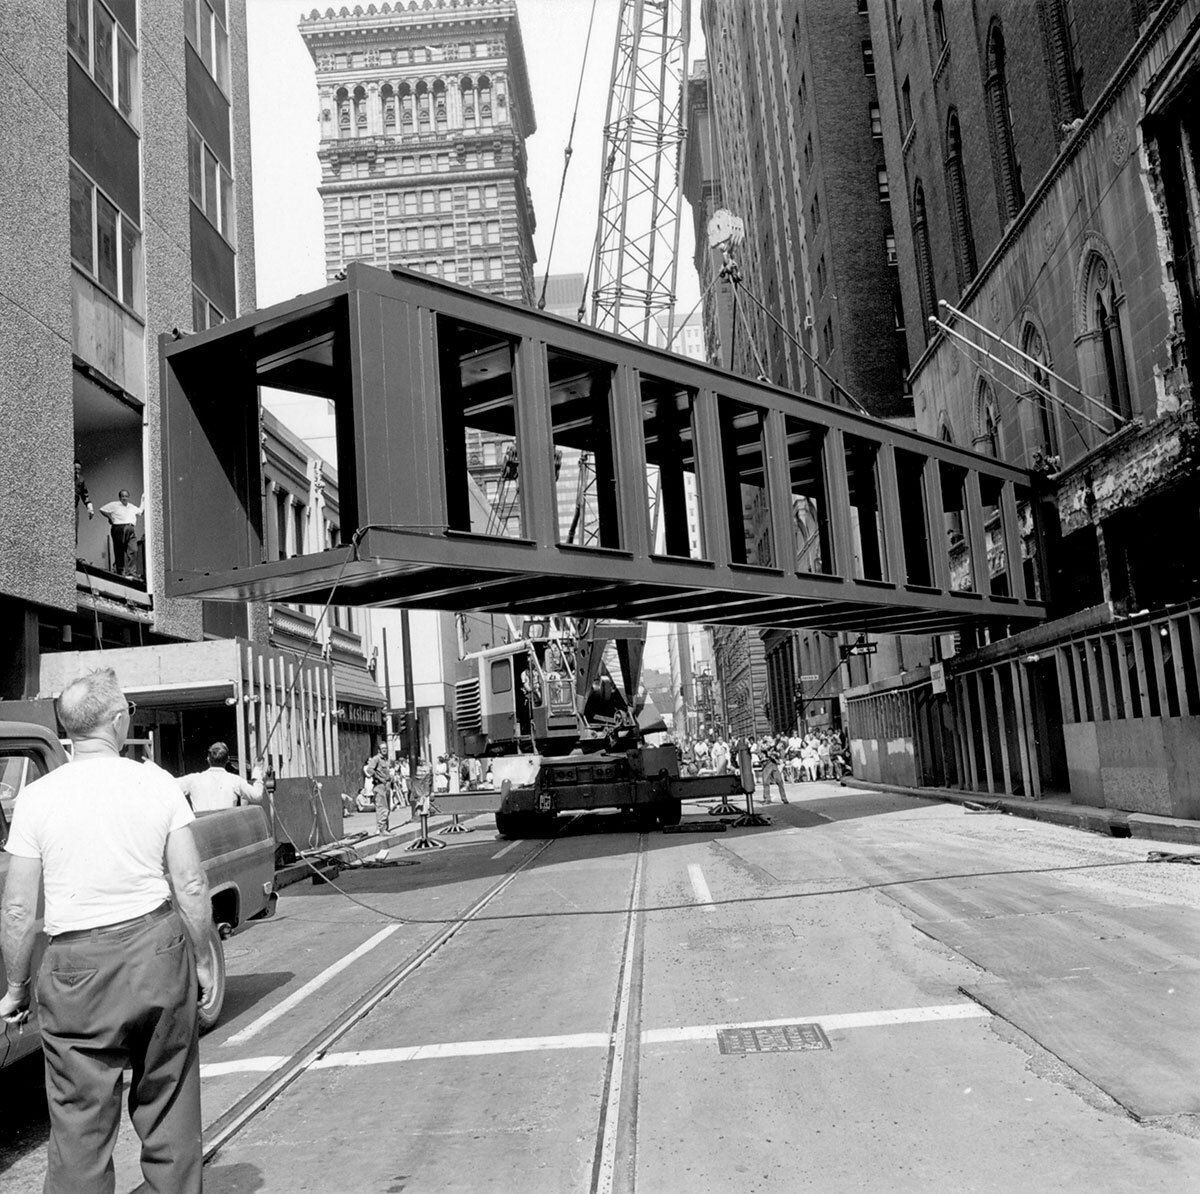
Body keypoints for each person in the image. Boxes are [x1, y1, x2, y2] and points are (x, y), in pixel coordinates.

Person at [0, 667, 210, 1193]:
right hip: (156, 953)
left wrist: (17, 987)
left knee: (78, 1125)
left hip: (75, 971)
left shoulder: (37, 798)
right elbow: (189, 884)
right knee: (170, 1103)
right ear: (118, 721)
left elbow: (20, 910)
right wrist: (203, 959)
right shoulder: (155, 782)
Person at [178, 741, 264, 812]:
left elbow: (168, 787)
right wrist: (257, 769)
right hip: (225, 830)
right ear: (227, 760)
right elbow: (257, 795)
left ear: (208, 759)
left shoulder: (193, 779)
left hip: (200, 830)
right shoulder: (234, 780)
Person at [98, 489, 145, 578]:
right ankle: (119, 571)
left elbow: (141, 512)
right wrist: (110, 518)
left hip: (130, 528)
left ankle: (131, 572)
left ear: (128, 497)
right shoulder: (114, 505)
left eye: (126, 496)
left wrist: (143, 500)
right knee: (119, 550)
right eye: (122, 496)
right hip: (119, 528)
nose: (124, 498)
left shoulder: (131, 506)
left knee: (133, 549)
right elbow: (102, 509)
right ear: (120, 497)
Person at [364, 745, 391, 834]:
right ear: (379, 750)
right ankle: (382, 829)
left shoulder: (385, 760)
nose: (384, 750)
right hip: (379, 785)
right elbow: (369, 770)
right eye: (382, 749)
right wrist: (379, 778)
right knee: (382, 808)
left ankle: (385, 828)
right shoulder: (376, 759)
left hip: (386, 785)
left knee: (387, 808)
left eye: (385, 748)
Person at [760, 735, 789, 804]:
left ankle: (784, 798)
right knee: (766, 782)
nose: (770, 741)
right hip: (766, 764)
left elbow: (779, 755)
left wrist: (777, 750)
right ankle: (767, 798)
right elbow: (766, 750)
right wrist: (774, 747)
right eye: (769, 740)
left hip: (773, 763)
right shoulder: (763, 745)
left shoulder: (774, 747)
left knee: (780, 781)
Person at [74, 460, 93, 549]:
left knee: (74, 531)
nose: (76, 471)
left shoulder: (81, 479)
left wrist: (89, 506)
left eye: (78, 469)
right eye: (75, 468)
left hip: (75, 508)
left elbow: (84, 494)